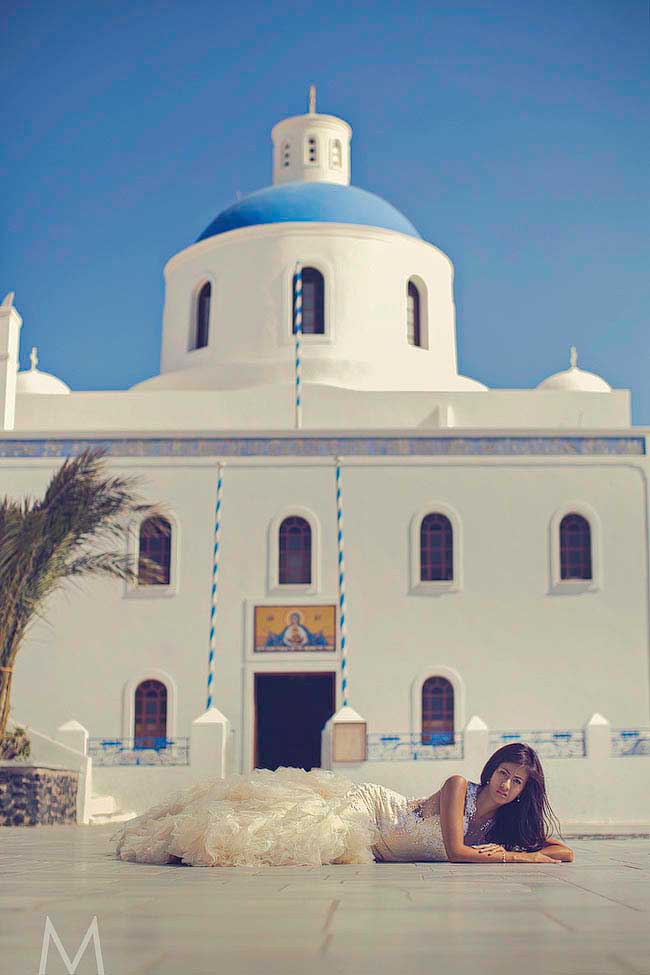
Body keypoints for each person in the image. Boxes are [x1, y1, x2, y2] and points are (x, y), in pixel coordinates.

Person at [112, 742, 574, 867]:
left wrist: (513, 851)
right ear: (490, 769)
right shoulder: (459, 786)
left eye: (517, 782)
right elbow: (456, 853)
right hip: (374, 813)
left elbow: (564, 852)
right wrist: (512, 858)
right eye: (503, 775)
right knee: (287, 829)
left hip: (381, 847)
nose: (508, 786)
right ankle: (183, 839)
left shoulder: (504, 827)